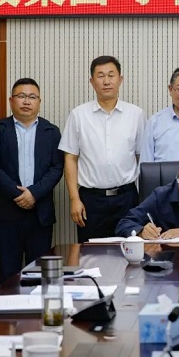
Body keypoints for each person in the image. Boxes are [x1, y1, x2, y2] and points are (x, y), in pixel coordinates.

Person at [59, 55, 146, 243]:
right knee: (91, 253)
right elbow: (70, 158)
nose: (106, 81)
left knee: (129, 252)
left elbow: (142, 158)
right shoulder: (78, 115)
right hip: (91, 200)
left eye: (111, 75)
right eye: (100, 76)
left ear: (120, 79)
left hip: (127, 199)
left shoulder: (136, 114)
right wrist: (74, 199)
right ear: (92, 81)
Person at [0, 78, 64, 280]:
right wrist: (17, 194)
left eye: (32, 97)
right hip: (7, 211)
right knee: (8, 271)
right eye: (21, 96)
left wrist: (34, 194)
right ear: (11, 100)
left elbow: (57, 167)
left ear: (39, 102)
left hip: (40, 212)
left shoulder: (51, 131)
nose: (27, 101)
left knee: (40, 272)